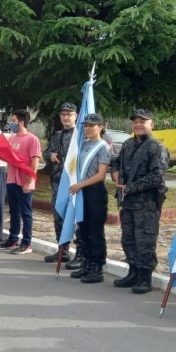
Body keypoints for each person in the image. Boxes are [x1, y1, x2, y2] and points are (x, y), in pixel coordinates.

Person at [110, 109, 169, 294]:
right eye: (135, 121)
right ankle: (133, 272)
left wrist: (130, 187)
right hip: (128, 203)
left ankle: (145, 277)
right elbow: (116, 161)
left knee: (145, 241)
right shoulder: (128, 144)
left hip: (147, 203)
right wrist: (115, 173)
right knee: (128, 239)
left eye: (142, 121)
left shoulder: (157, 147)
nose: (138, 124)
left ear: (152, 124)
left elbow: (157, 176)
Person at [67, 114, 110, 283]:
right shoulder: (83, 144)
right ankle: (86, 263)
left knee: (95, 231)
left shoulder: (103, 147)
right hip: (81, 192)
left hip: (94, 192)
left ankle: (97, 268)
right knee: (83, 230)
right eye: (86, 126)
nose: (88, 128)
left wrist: (80, 185)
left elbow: (101, 175)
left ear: (100, 127)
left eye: (92, 125)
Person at [0, 110, 41, 254]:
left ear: (22, 122)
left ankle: (27, 243)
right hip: (11, 179)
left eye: (14, 120)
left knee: (25, 213)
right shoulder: (12, 139)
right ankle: (13, 239)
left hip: (25, 181)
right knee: (13, 211)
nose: (12, 123)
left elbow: (35, 162)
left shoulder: (32, 139)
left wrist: (29, 180)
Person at [43, 102, 80, 264]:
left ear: (76, 116)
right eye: (63, 114)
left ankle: (80, 253)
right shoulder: (57, 135)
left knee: (77, 217)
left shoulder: (81, 135)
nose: (65, 117)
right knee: (59, 216)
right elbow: (46, 151)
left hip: (76, 183)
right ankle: (62, 250)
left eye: (69, 114)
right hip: (59, 181)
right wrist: (50, 155)